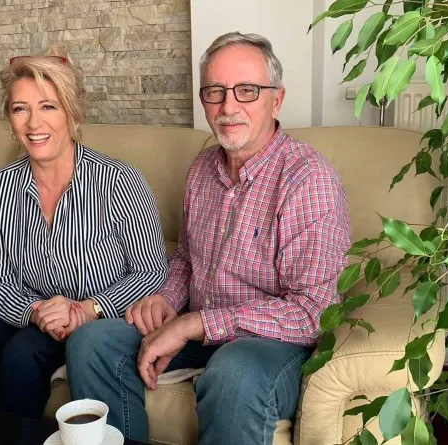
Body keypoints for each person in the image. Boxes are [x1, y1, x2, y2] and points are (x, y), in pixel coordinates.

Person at [66, 32, 351, 444]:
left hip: (274, 346)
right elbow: (186, 258)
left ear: (277, 99)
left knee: (235, 370)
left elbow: (314, 314)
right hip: (198, 332)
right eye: (215, 91)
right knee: (91, 341)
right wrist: (166, 299)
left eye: (247, 90)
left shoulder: (308, 178)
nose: (228, 107)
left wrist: (196, 323)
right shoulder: (202, 167)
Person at [0, 46, 169, 419]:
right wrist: (36, 312)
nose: (33, 123)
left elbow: (151, 271)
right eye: (20, 109)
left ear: (72, 114)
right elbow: (0, 280)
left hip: (100, 318)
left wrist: (87, 309)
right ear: (10, 120)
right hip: (36, 310)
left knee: (22, 353)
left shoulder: (119, 180)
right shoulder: (1, 185)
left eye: (48, 106)